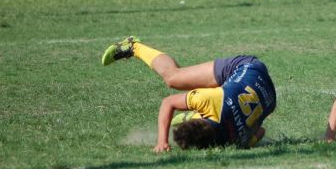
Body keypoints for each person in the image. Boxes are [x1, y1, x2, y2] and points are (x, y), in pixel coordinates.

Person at [101, 36, 276, 152]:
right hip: (245, 68)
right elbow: (168, 103)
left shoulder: (235, 141)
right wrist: (162, 141)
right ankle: (133, 46)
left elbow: (260, 132)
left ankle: (189, 116)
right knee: (173, 78)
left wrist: (248, 142)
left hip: (269, 94)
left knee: (220, 101)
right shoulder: (209, 102)